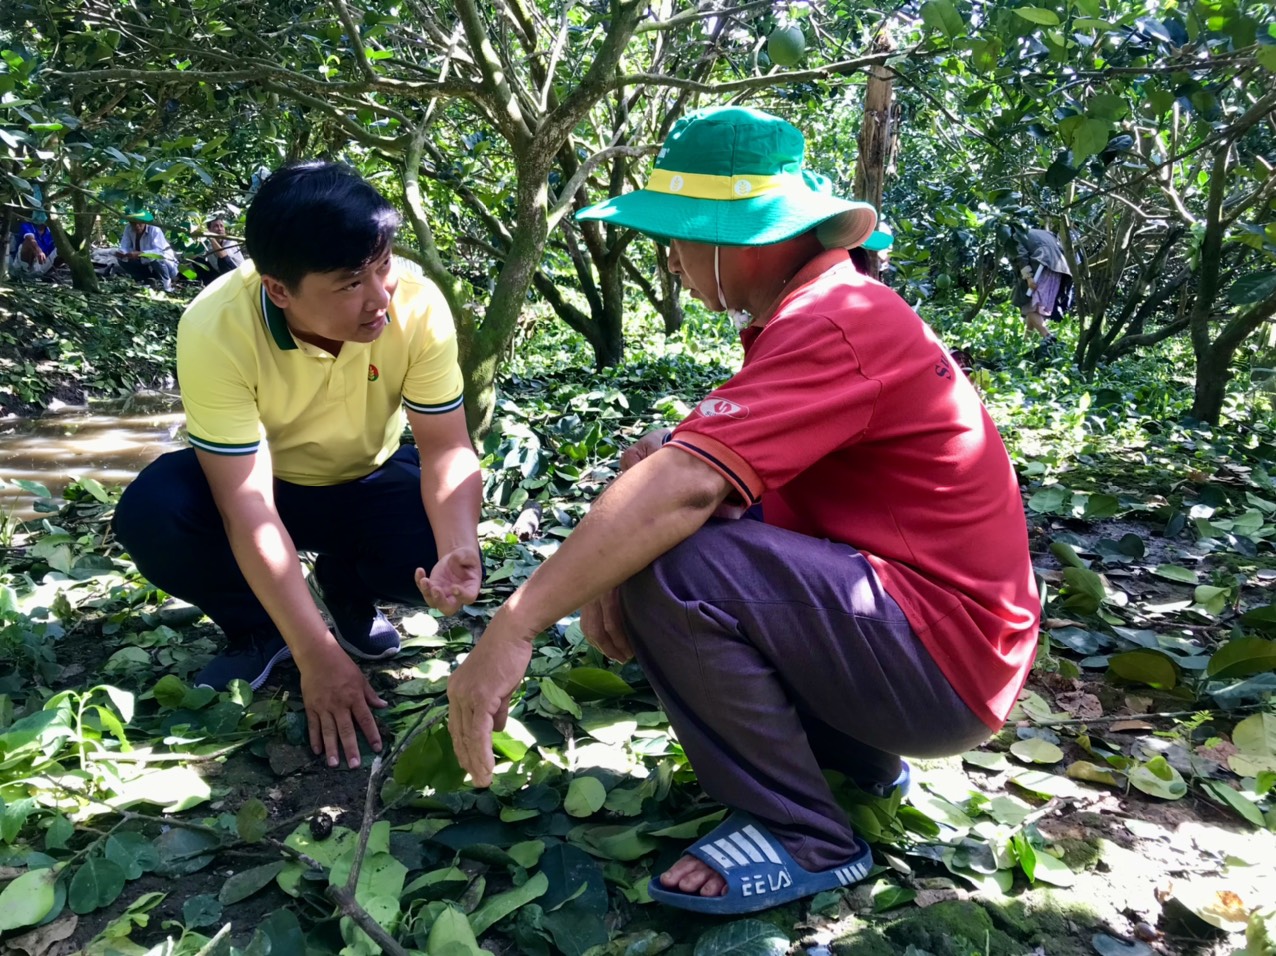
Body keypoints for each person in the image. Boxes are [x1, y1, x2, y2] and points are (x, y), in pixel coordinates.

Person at [442, 107, 1039, 914]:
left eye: (680, 237)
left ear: (735, 237)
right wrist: (621, 556)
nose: (674, 259)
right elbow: (695, 474)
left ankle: (805, 834)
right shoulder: (815, 313)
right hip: (929, 641)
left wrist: (515, 625)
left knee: (680, 558)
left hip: (942, 664)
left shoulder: (838, 320)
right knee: (662, 524)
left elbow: (687, 488)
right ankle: (849, 761)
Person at [112, 162, 483, 771]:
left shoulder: (417, 306)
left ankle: (346, 588)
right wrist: (316, 656)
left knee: (425, 541)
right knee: (156, 513)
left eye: (383, 266)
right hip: (268, 485)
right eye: (348, 284)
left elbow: (445, 446)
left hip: (366, 477)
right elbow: (247, 505)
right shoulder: (215, 327)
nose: (379, 298)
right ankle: (263, 630)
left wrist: (458, 546)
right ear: (279, 289)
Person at [1011, 224, 1072, 347]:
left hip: (1042, 267)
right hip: (1059, 270)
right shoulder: (1045, 233)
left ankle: (1048, 337)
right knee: (1035, 308)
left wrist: (1028, 277)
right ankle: (1025, 342)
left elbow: (1021, 256)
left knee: (1028, 306)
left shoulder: (1016, 235)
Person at [114, 212, 180, 291]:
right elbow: (125, 246)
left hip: (166, 266)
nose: (137, 226)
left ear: (145, 222)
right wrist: (122, 253)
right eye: (133, 224)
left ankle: (167, 284)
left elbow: (160, 252)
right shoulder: (128, 229)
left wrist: (140, 254)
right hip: (145, 264)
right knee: (122, 260)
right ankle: (145, 280)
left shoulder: (155, 230)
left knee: (155, 258)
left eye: (139, 224)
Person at [191, 215, 245, 286]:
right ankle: (209, 287)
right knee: (197, 260)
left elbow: (223, 256)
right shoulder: (208, 245)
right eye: (216, 226)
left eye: (221, 226)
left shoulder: (230, 242)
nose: (220, 229)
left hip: (237, 275)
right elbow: (195, 257)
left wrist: (210, 237)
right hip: (220, 275)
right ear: (209, 229)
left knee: (222, 260)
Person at [10, 212, 59, 277]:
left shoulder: (51, 232)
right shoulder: (26, 225)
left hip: (42, 265)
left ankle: (47, 274)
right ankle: (25, 270)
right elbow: (30, 239)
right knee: (28, 243)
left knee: (61, 249)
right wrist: (39, 251)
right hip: (23, 263)